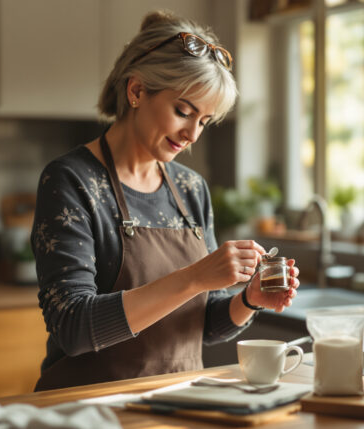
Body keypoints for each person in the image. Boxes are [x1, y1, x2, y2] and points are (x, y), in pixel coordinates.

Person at [30, 10, 300, 391]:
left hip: (176, 401)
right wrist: (194, 277)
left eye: (204, 121)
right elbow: (72, 326)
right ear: (136, 91)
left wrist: (249, 299)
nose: (192, 134)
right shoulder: (72, 180)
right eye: (183, 112)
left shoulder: (191, 189)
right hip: (87, 408)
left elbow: (203, 326)